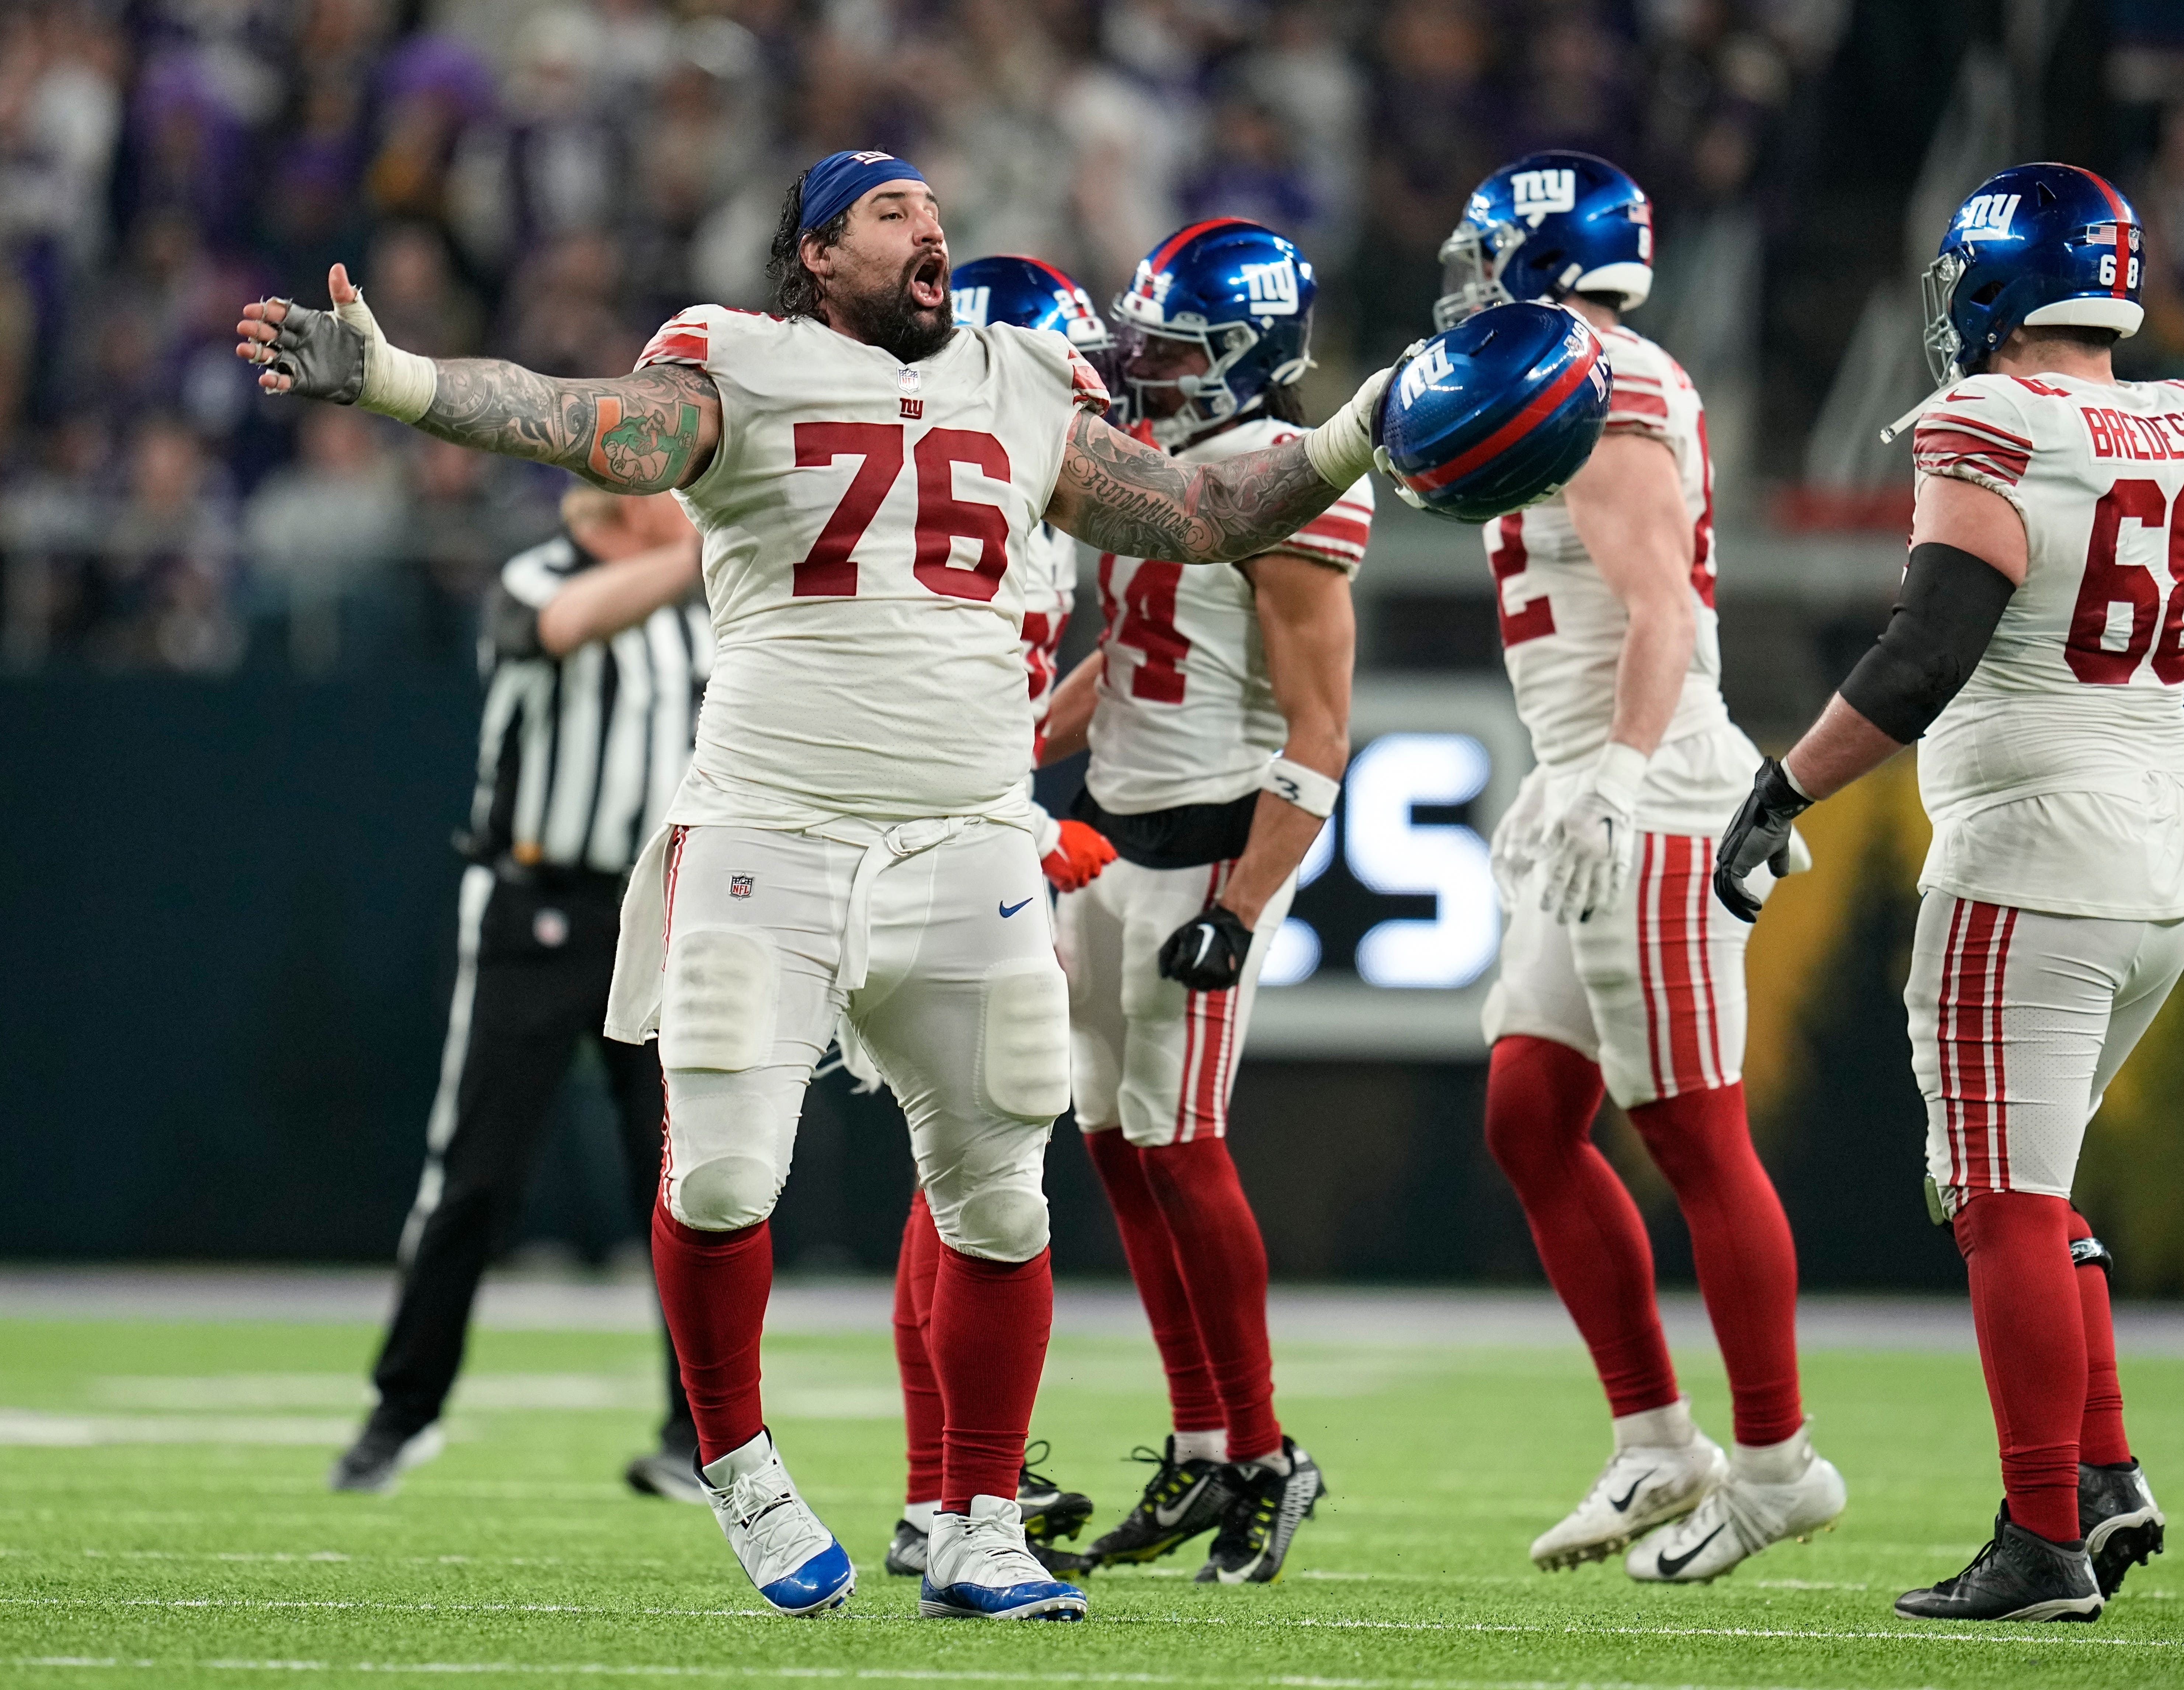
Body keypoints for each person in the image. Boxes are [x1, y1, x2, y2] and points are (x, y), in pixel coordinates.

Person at [235, 147, 1407, 1622]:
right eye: (888, 213)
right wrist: (399, 380)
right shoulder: (738, 361)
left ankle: (979, 1518)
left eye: (934, 204)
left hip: (972, 838)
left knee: (999, 1197)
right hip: (768, 831)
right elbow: (586, 424)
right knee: (724, 1173)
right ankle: (735, 1458)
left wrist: (1366, 423)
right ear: (815, 258)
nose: (932, 225)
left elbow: (1206, 514)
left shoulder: (1024, 379)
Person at [1715, 163, 2184, 1623]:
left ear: (1999, 284)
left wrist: (1785, 785)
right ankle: (2097, 1473)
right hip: (2164, 865)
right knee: (2032, 1185)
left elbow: (1925, 650)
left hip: (2030, 866)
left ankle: (2040, 1541)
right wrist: (2116, 759)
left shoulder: (1986, 420)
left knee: (1999, 1198)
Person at [1432, 150, 1845, 1585]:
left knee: (1693, 1136)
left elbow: (1659, 610)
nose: (1466, 279)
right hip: (1613, 776)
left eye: (1486, 254)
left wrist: (1607, 778)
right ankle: (1659, 1440)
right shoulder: (1572, 362)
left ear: (1536, 256)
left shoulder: (1593, 382)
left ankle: (1781, 1466)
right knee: (1530, 1114)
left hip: (1655, 791)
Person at [1034, 219, 1373, 1585]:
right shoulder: (1166, 469)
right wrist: (1022, 739)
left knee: (1181, 1144)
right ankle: (1197, 1438)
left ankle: (1266, 1449)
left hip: (1210, 835)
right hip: (1113, 826)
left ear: (1249, 359)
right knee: (1115, 1138)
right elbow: (1133, 649)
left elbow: (1322, 730)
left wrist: (1242, 900)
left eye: (1175, 347)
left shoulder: (1280, 490)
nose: (1147, 365)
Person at [328, 485, 710, 1502]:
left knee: (687, 1185)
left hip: (661, 920)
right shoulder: (538, 576)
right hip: (535, 914)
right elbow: (564, 624)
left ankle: (700, 1433)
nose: (696, 509)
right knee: (476, 1176)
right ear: (621, 506)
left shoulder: (704, 605)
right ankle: (401, 1411)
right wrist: (714, 547)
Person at [877, 253, 1122, 1583]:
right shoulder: (945, 490)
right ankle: (943, 1489)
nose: (1082, 389)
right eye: (1057, 363)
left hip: (975, 824)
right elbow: (919, 700)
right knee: (973, 1170)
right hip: (924, 839)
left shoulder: (1035, 494)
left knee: (970, 1171)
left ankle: (955, 1481)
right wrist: (1021, 819)